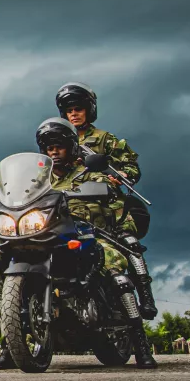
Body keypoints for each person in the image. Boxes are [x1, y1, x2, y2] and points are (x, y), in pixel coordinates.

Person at [0, 119, 155, 370]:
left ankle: (141, 345)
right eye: (49, 148)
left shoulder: (91, 173)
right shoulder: (39, 180)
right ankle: (10, 345)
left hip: (91, 234)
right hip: (49, 235)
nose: (54, 152)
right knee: (3, 265)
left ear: (71, 148)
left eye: (59, 146)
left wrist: (107, 188)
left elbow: (113, 200)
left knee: (115, 271)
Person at [56, 82, 153, 317]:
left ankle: (146, 297)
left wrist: (121, 177)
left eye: (78, 109)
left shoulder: (105, 139)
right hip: (71, 206)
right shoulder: (57, 141)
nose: (74, 114)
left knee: (128, 241)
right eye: (69, 110)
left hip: (108, 206)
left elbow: (131, 168)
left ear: (88, 110)